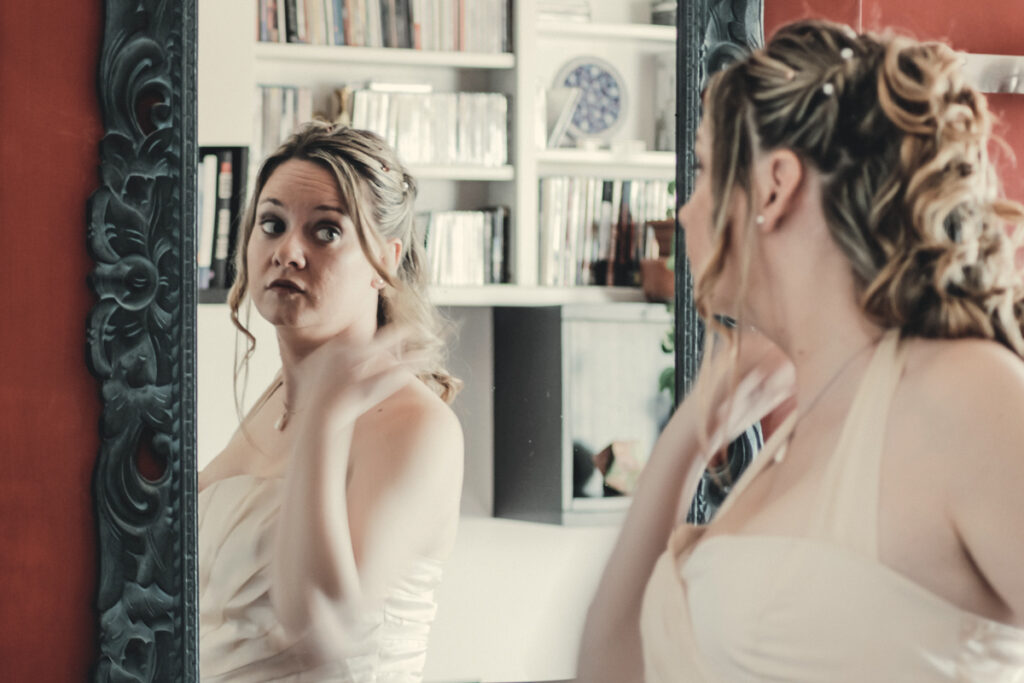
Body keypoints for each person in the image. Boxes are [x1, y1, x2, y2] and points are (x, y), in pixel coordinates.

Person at [578, 19, 1024, 682]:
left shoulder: (964, 393)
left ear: (774, 185)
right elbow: (612, 666)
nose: (684, 214)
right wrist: (686, 439)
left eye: (701, 172)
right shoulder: (797, 427)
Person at [197, 123, 464, 682]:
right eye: (271, 224)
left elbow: (325, 633)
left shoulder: (420, 426)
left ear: (384, 263)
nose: (288, 252)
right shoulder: (274, 401)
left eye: (325, 232)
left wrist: (325, 420)